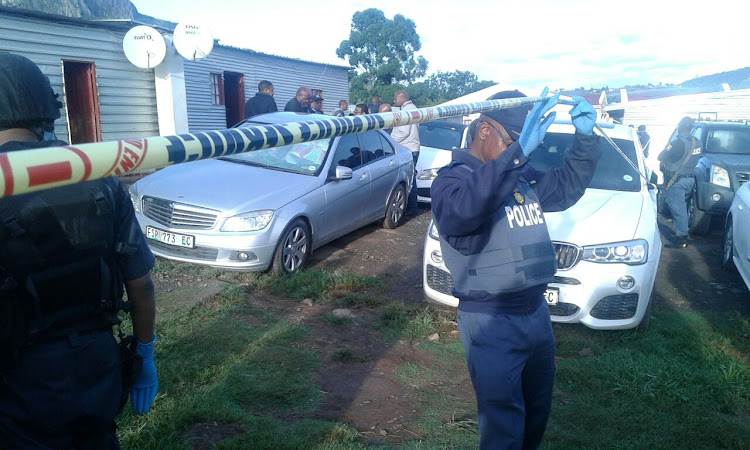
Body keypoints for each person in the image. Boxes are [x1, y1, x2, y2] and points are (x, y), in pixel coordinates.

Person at [0, 53, 158, 448]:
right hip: (96, 360)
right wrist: (146, 354)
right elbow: (140, 283)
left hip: (19, 375)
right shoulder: (94, 171)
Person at [431, 88, 602, 449]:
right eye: (512, 139)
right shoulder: (453, 180)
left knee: (536, 414)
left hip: (536, 315)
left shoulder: (520, 176)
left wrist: (585, 139)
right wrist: (518, 153)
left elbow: (567, 185)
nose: (519, 149)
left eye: (524, 142)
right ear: (484, 131)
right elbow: (464, 209)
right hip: (492, 320)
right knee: (503, 426)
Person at [658, 116, 701, 248]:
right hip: (689, 179)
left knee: (678, 208)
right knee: (682, 207)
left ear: (680, 127)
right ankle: (681, 233)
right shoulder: (697, 142)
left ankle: (682, 237)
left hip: (677, 180)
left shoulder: (677, 143)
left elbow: (661, 156)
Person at [391, 89, 421, 215]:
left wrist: (390, 141)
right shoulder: (414, 108)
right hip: (413, 147)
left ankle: (412, 208)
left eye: (395, 98)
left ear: (402, 98)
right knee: (411, 178)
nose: (394, 101)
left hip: (407, 148)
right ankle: (412, 207)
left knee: (408, 179)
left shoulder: (406, 111)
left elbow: (404, 131)